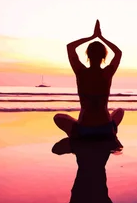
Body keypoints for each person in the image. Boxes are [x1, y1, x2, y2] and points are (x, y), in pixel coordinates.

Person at [52, 20, 124, 155]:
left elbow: (70, 47)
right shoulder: (106, 74)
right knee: (119, 111)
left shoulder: (80, 72)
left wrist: (92, 37)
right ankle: (112, 132)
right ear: (104, 57)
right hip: (106, 129)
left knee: (58, 117)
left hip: (84, 129)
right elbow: (118, 53)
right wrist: (102, 38)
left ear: (87, 55)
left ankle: (76, 137)